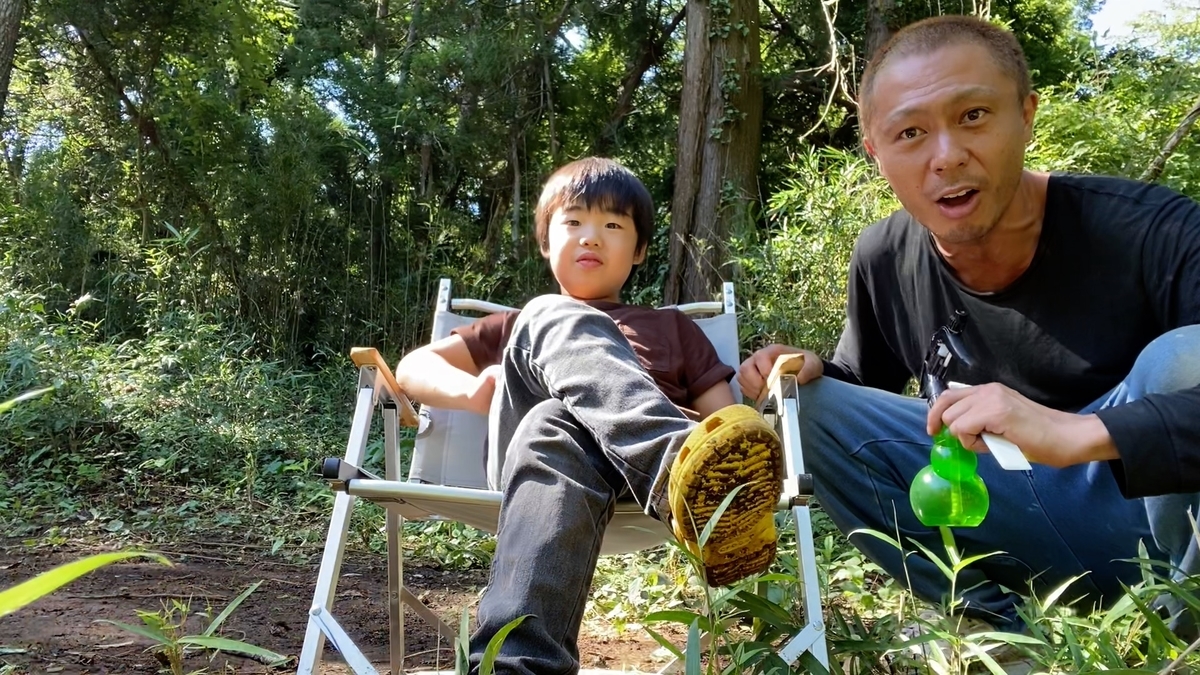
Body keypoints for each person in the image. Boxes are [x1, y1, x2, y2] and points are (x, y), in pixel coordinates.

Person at [739, 15, 1200, 635]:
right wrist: (810, 368)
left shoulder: (1150, 230)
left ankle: (1184, 629)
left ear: (1026, 114)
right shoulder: (884, 256)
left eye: (974, 117)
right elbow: (859, 381)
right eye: (910, 132)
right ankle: (997, 636)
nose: (947, 156)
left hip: (1145, 515)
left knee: (1187, 356)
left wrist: (1081, 433)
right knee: (814, 407)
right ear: (876, 151)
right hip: (1000, 507)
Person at [395, 157, 785, 675]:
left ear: (639, 250)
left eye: (613, 225)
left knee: (553, 419)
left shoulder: (673, 329)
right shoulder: (522, 321)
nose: (591, 238)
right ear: (545, 242)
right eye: (573, 222)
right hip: (535, 471)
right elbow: (412, 366)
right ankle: (677, 475)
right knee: (548, 345)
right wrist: (471, 391)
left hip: (628, 481)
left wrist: (754, 409)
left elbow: (721, 424)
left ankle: (516, 668)